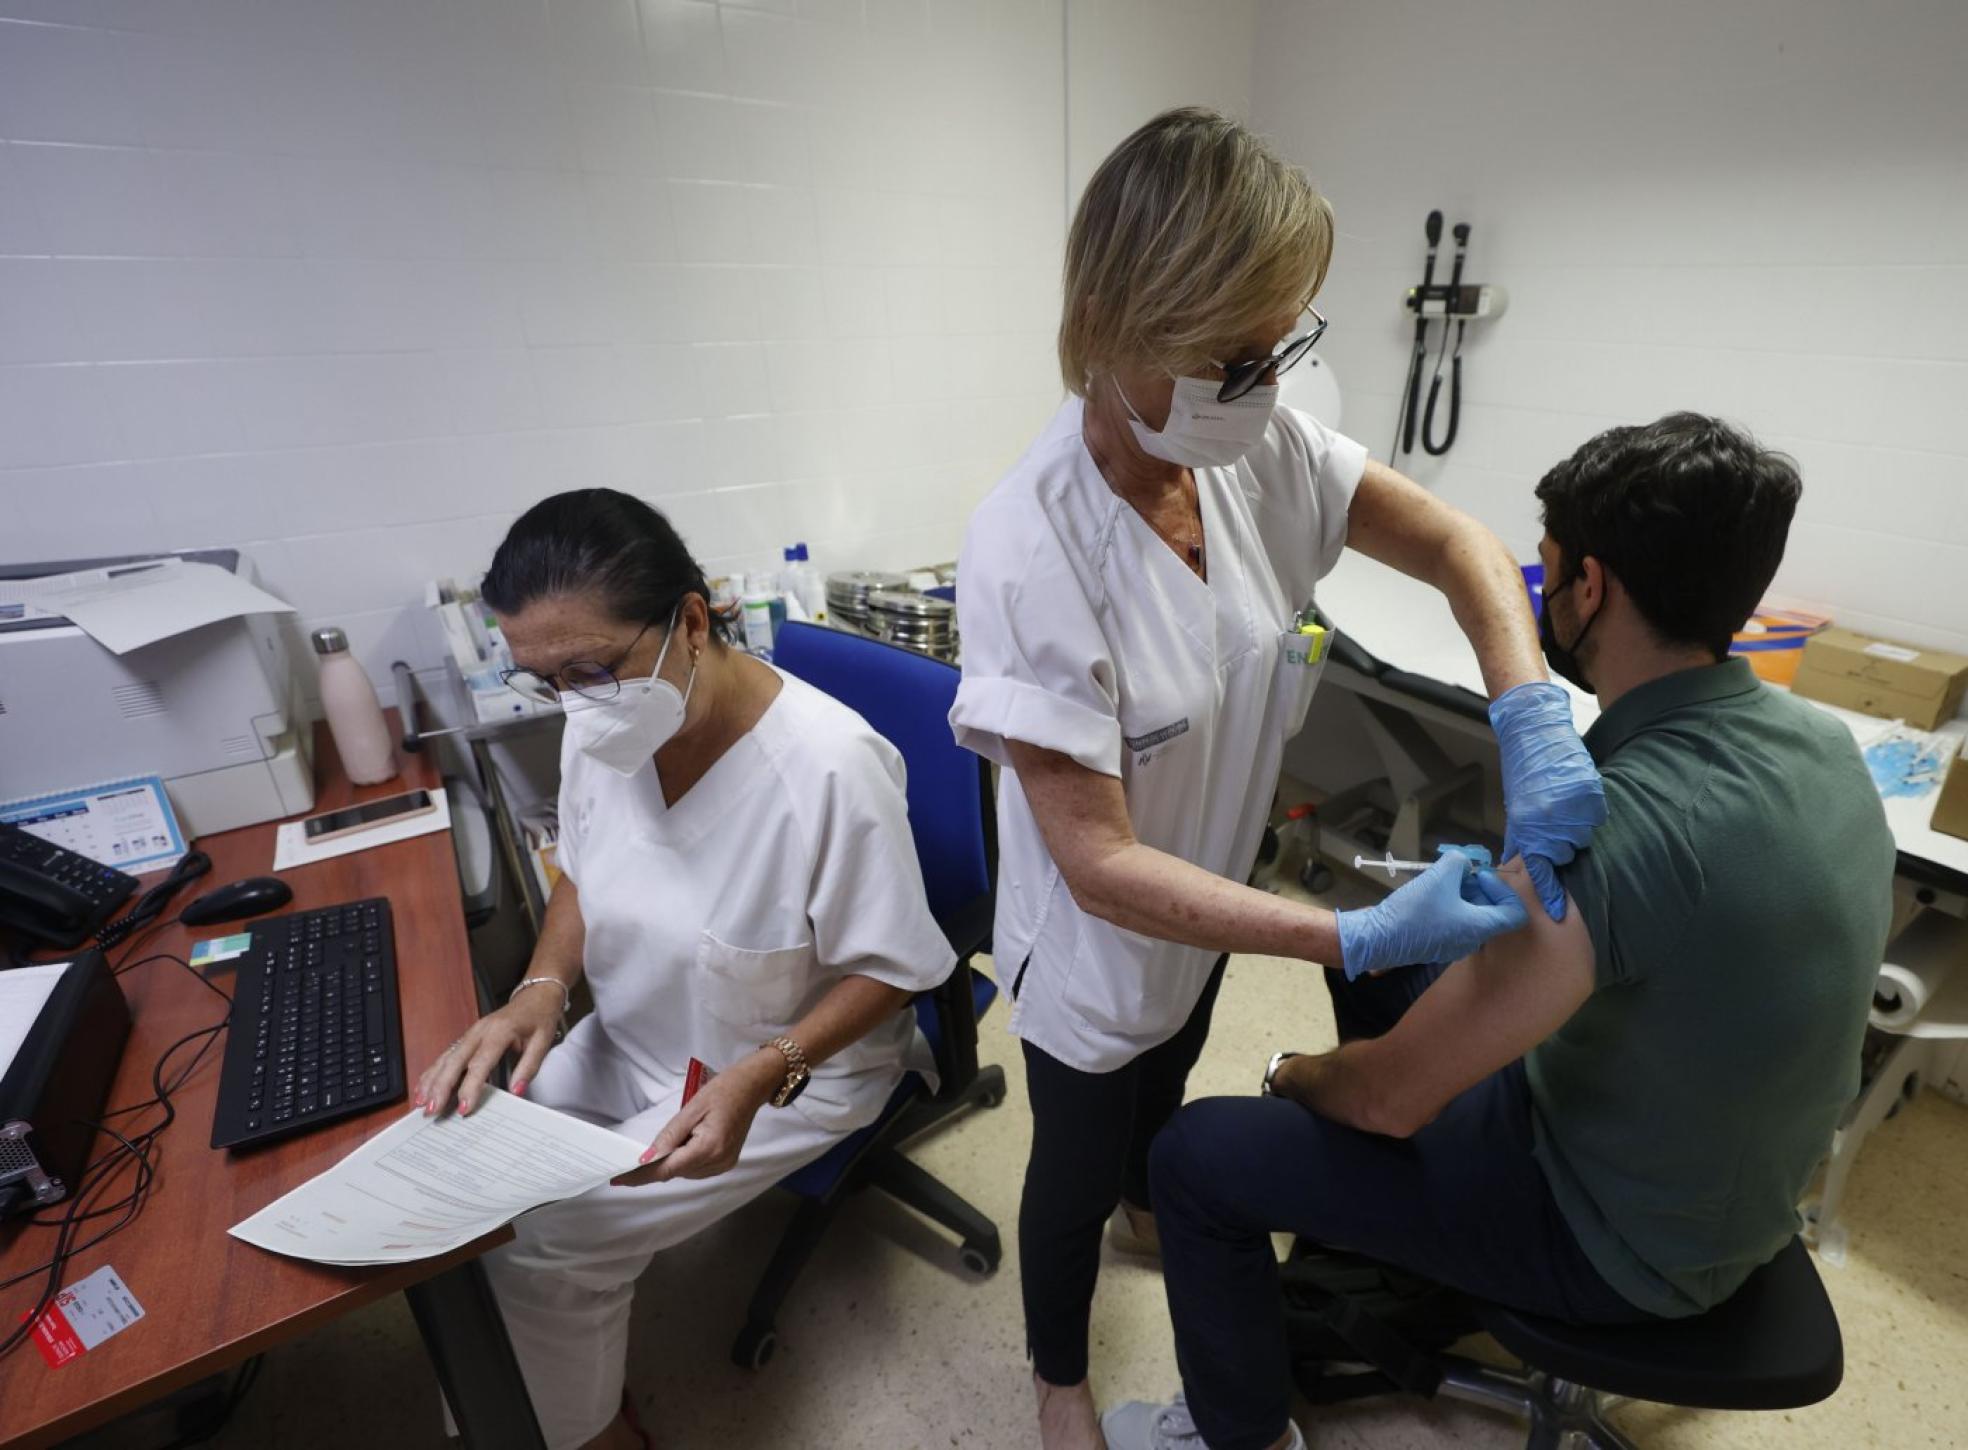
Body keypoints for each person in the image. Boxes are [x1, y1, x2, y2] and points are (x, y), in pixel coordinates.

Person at [947, 107, 1605, 1450]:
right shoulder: (1030, 547)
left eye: (1280, 344)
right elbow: (1098, 861)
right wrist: (1351, 929)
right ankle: (1057, 1375)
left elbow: (1460, 543)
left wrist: (1527, 701)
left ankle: (1153, 1196)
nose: (1267, 381)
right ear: (1118, 323)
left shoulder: (1250, 446)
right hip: (1091, 942)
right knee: (1070, 1170)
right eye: (1234, 354)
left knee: (1172, 1076)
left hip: (1207, 899)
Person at [1108, 413, 1899, 1450]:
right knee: (1398, 959)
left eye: (1548, 566)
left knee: (1197, 1154)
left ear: (1591, 588)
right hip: (1724, 1183)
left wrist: (1293, 1074)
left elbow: (1388, 1101)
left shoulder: (1623, 832)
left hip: (1620, 1245)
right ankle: (1406, 1240)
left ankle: (1237, 1435)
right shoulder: (1825, 745)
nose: (1538, 584)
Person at [413, 489, 955, 1450]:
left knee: (543, 1245)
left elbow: (896, 971)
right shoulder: (604, 721)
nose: (573, 700)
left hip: (792, 1072)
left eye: (591, 668)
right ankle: (522, 1405)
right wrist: (540, 990)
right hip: (635, 1031)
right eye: (548, 680)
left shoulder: (830, 772)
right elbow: (582, 868)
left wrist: (762, 1072)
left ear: (692, 622)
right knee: (468, 1171)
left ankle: (579, 1433)